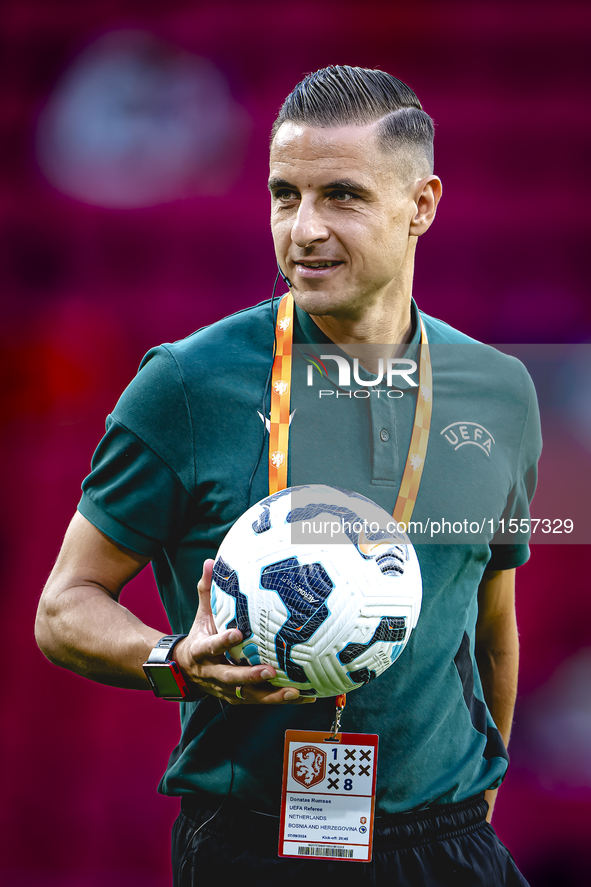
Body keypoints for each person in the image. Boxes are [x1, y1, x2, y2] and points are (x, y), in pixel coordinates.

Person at [35, 66, 540, 886]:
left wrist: (475, 802)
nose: (302, 228)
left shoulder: (502, 391)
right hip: (253, 847)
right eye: (283, 194)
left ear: (422, 205)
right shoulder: (185, 383)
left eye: (340, 194)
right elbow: (62, 607)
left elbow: (490, 624)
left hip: (445, 843)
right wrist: (171, 657)